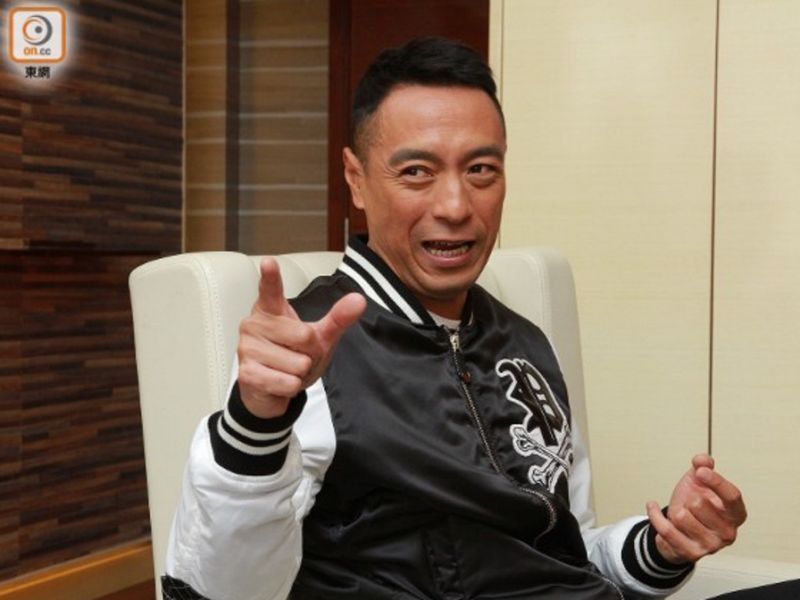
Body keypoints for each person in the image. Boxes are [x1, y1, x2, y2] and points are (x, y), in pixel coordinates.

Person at [162, 37, 748, 600]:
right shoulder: (308, 356)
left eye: (481, 170)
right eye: (417, 171)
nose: (456, 206)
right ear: (356, 180)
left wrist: (664, 543)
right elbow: (226, 591)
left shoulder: (525, 341)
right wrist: (257, 419)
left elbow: (564, 553)